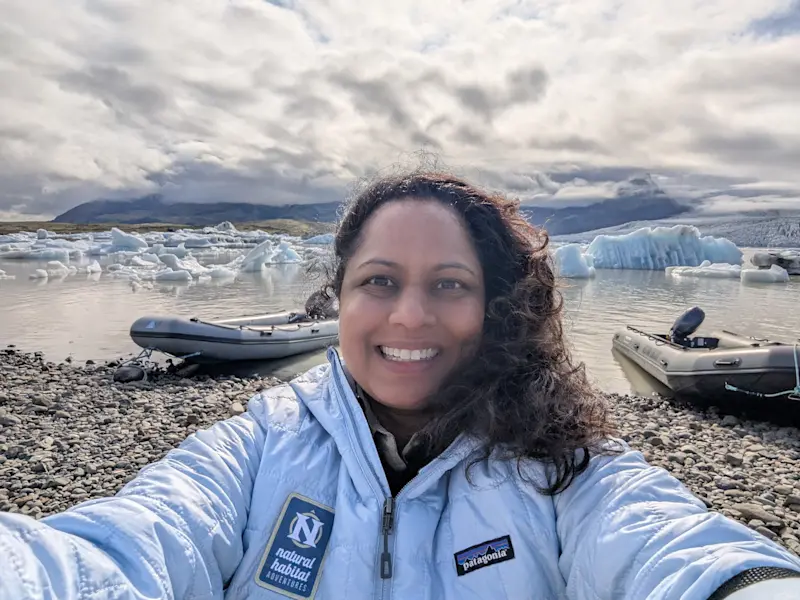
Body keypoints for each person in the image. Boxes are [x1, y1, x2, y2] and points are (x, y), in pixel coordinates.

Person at [1, 171, 799, 599]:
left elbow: (669, 546)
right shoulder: (254, 450)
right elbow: (123, 547)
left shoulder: (562, 462)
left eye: (449, 284)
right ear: (339, 300)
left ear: (496, 308)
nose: (410, 317)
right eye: (380, 281)